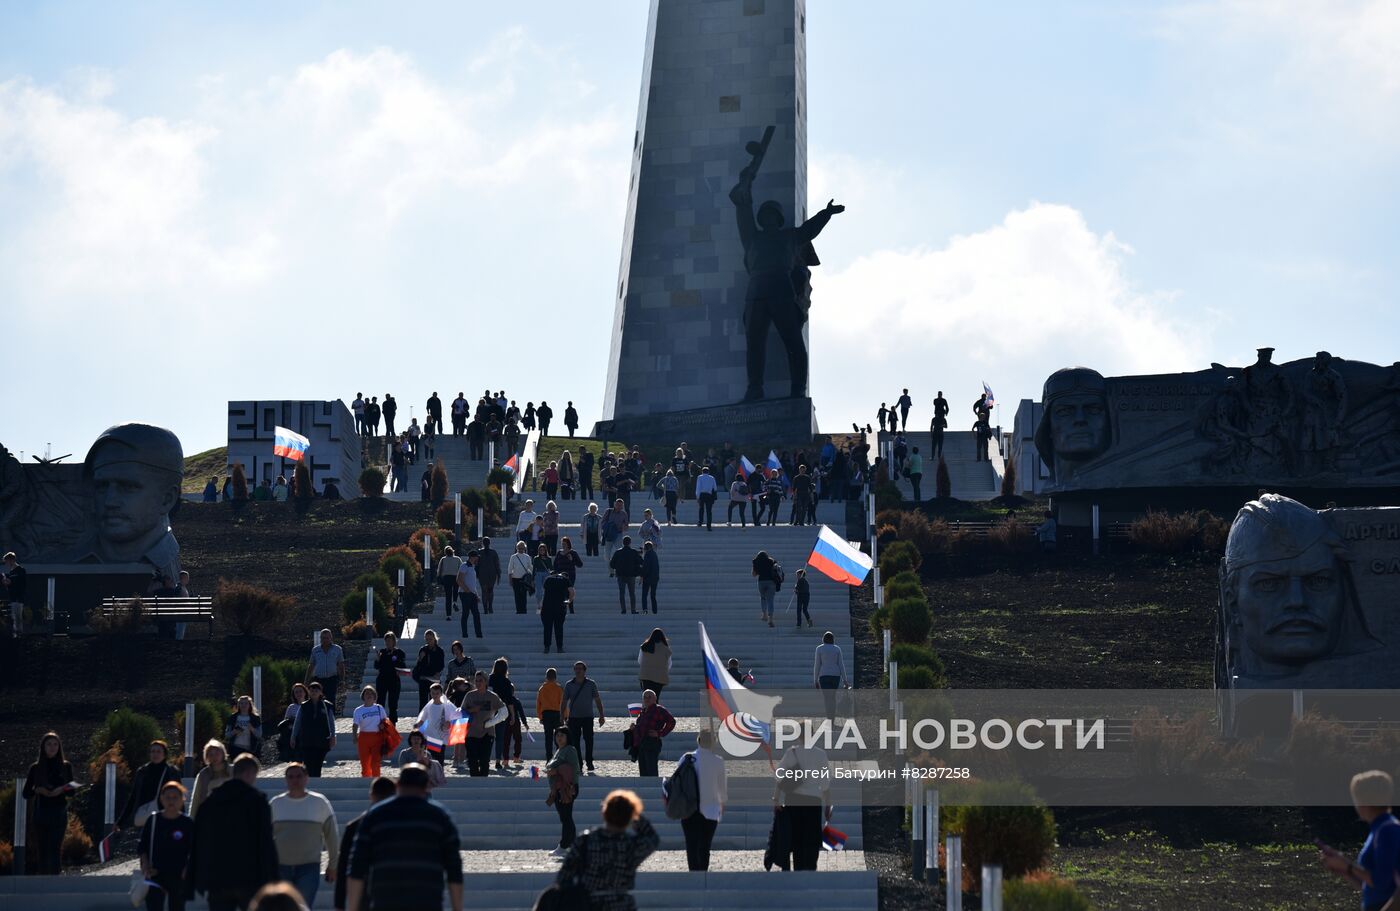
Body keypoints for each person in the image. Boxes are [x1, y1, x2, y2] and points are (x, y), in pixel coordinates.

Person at [346, 765, 464, 911]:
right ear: (427, 787)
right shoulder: (440, 817)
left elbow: (357, 867)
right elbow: (454, 868)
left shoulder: (375, 816)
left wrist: (352, 908)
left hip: (385, 901)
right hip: (427, 901)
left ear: (398, 784)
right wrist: (457, 908)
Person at [188, 753, 278, 911]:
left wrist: (197, 873)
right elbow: (265, 841)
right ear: (249, 773)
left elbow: (200, 839)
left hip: (218, 876)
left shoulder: (211, 801)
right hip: (249, 875)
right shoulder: (257, 801)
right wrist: (273, 876)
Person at [554, 789, 658, 911]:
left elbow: (563, 877)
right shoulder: (631, 845)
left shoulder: (585, 841)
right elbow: (652, 838)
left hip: (589, 904)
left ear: (604, 813)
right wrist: (633, 813)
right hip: (622, 905)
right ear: (629, 817)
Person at [1318, 770, 1400, 911]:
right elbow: (1370, 887)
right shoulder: (1378, 829)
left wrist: (1348, 866)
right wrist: (1343, 870)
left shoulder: (1387, 830)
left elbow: (1381, 882)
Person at [269, 763, 338, 906]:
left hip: (309, 867)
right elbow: (264, 838)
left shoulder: (319, 803)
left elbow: (331, 836)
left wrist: (333, 864)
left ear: (306, 778)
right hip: (281, 867)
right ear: (286, 779)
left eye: (299, 776)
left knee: (304, 907)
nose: (295, 780)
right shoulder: (276, 804)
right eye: (291, 777)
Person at [333, 775, 397, 911]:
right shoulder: (404, 826)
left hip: (365, 890)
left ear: (371, 795)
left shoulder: (354, 826)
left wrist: (339, 903)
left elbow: (344, 866)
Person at [775, 742, 831, 872]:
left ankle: (798, 869)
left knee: (796, 838)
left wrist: (776, 799)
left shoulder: (791, 752)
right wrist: (828, 804)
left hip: (794, 800)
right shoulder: (820, 754)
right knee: (812, 838)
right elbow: (825, 783)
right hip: (813, 800)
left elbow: (779, 776)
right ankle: (811, 868)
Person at [23, 732, 75, 874]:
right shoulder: (35, 768)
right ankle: (43, 880)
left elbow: (72, 790)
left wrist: (61, 789)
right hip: (41, 814)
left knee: (55, 848)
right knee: (43, 849)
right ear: (43, 747)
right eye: (49, 744)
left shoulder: (65, 766)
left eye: (55, 744)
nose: (52, 747)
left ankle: (55, 879)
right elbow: (26, 793)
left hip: (59, 813)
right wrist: (38, 790)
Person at [138, 780, 194, 911]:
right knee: (154, 906)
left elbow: (195, 849)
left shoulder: (187, 823)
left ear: (182, 799)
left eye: (175, 797)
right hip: (155, 873)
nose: (171, 801)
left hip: (178, 874)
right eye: (168, 797)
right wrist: (145, 864)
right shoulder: (153, 820)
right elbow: (142, 846)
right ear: (161, 799)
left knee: (177, 907)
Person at [677, 730, 728, 872]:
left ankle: (694, 874)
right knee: (705, 846)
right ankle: (703, 873)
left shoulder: (687, 758)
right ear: (713, 743)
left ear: (698, 741)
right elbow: (722, 788)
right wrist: (722, 805)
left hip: (688, 809)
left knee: (691, 846)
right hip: (711, 809)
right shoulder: (718, 761)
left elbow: (678, 782)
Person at [119, 739, 182, 831]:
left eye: (158, 751)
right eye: (153, 751)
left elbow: (179, 796)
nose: (155, 754)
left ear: (164, 754)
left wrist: (181, 819)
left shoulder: (172, 772)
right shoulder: (142, 772)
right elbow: (133, 797)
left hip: (166, 816)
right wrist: (120, 822)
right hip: (146, 818)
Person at [563, 661, 606, 773]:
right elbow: (564, 701)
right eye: (576, 668)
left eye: (580, 669)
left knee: (589, 740)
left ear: (584, 670)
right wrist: (561, 715)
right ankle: (579, 763)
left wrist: (601, 715)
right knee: (575, 741)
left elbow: (597, 699)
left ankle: (589, 762)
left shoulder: (591, 684)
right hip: (574, 717)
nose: (578, 671)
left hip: (587, 717)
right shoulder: (569, 684)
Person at [545, 727, 581, 858]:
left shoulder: (570, 750)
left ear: (567, 737)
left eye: (562, 735)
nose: (559, 738)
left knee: (566, 818)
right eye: (557, 735)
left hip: (567, 789)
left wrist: (556, 770)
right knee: (566, 817)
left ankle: (564, 846)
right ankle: (573, 846)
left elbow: (573, 769)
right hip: (559, 789)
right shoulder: (559, 750)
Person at [461, 671, 505, 777]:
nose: (478, 683)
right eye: (476, 680)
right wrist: (472, 710)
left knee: (484, 761)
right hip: (471, 734)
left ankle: (483, 783)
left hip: (487, 733)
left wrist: (491, 723)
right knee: (472, 762)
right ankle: (474, 785)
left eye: (480, 680)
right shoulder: (469, 695)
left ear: (486, 682)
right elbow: (461, 713)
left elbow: (504, 713)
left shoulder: (492, 696)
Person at [291, 682, 337, 776]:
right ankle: (309, 781)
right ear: (308, 692)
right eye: (312, 690)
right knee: (308, 765)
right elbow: (297, 722)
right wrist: (293, 736)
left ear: (321, 692)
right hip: (307, 741)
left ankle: (316, 781)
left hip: (322, 741)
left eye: (316, 690)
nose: (314, 692)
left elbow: (331, 722)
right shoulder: (304, 706)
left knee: (317, 765)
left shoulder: (327, 706)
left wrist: (333, 736)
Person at [632, 689, 675, 778]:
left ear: (655, 698)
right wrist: (634, 728)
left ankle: (653, 786)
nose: (647, 699)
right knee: (643, 771)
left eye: (649, 697)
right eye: (645, 697)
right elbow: (641, 727)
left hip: (652, 742)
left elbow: (672, 721)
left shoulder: (659, 709)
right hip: (641, 743)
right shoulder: (642, 711)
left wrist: (660, 733)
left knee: (651, 770)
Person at [352, 686, 389, 778]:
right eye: (367, 693)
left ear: (374, 696)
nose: (369, 695)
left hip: (377, 737)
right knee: (365, 763)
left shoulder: (379, 708)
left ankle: (376, 781)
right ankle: (366, 781)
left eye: (371, 693)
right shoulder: (358, 710)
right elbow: (355, 725)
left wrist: (383, 725)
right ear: (363, 696)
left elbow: (386, 722)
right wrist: (354, 736)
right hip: (364, 738)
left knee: (375, 762)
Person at [190, 739, 232, 819]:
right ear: (207, 757)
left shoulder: (233, 771)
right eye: (211, 754)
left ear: (223, 754)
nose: (214, 757)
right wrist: (192, 820)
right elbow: (196, 799)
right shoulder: (203, 775)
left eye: (217, 753)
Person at [307, 629, 346, 713]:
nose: (325, 640)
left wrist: (342, 679)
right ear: (320, 638)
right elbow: (311, 665)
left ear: (331, 638)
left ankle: (331, 717)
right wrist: (307, 679)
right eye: (323, 638)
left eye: (327, 638)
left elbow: (341, 665)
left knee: (331, 699)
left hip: (331, 679)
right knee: (317, 699)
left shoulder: (337, 649)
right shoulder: (315, 650)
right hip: (318, 679)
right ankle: (319, 716)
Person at [489, 657, 517, 771]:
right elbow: (509, 701)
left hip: (489, 710)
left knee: (488, 736)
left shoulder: (490, 679)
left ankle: (486, 758)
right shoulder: (506, 682)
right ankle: (497, 761)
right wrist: (513, 715)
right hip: (502, 710)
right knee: (500, 737)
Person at [814, 631, 849, 720]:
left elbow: (817, 665)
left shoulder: (819, 649)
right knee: (832, 697)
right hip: (835, 676)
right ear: (833, 639)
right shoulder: (837, 649)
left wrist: (815, 680)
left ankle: (829, 717)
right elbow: (841, 664)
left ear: (823, 639)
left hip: (824, 676)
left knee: (827, 698)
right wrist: (845, 680)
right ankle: (832, 716)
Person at [373, 631, 407, 725]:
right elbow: (376, 666)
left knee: (393, 704)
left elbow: (403, 666)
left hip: (394, 680)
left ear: (394, 641)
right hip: (382, 680)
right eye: (386, 641)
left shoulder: (399, 652)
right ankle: (380, 723)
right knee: (380, 702)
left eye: (390, 640)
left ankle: (393, 724)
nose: (388, 643)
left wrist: (395, 659)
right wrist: (377, 659)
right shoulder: (382, 652)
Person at [413, 629, 446, 710]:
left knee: (435, 701)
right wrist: (420, 658)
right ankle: (423, 717)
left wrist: (436, 672)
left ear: (434, 638)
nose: (429, 641)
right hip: (424, 679)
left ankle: (435, 716)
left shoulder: (439, 650)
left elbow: (441, 665)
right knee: (423, 703)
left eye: (430, 639)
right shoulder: (423, 649)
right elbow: (418, 665)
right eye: (427, 639)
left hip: (434, 679)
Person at [611, 535, 644, 614]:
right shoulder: (634, 552)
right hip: (631, 575)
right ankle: (633, 610)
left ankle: (623, 610)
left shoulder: (618, 552)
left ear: (623, 543)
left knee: (622, 593)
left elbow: (612, 564)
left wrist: (617, 567)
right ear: (630, 543)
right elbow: (641, 562)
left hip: (620, 575)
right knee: (632, 593)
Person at [223, 695, 263, 761]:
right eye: (241, 703)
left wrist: (252, 728)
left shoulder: (255, 718)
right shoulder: (233, 717)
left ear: (250, 705)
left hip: (251, 749)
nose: (243, 705)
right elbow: (227, 734)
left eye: (246, 703)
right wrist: (234, 731)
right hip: (235, 749)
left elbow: (259, 735)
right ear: (238, 705)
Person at [541, 570, 571, 654]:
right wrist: (569, 601)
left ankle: (547, 647)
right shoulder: (565, 579)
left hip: (547, 607)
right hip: (560, 607)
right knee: (559, 628)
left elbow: (544, 592)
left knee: (547, 628)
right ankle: (559, 648)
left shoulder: (548, 579)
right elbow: (572, 591)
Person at [455, 550, 483, 639]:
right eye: (476, 557)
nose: (477, 559)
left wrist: (476, 594)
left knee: (476, 614)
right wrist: (466, 590)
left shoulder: (472, 567)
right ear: (472, 557)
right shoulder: (464, 565)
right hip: (465, 593)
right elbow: (459, 579)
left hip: (472, 594)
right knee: (465, 613)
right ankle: (465, 634)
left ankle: (479, 635)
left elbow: (472, 584)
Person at [538, 667, 565, 760]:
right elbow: (562, 703)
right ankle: (558, 756)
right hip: (557, 714)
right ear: (555, 677)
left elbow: (539, 704)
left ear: (546, 677)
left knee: (548, 738)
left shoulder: (542, 689)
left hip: (546, 714)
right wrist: (565, 715)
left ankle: (549, 757)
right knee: (559, 737)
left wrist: (540, 716)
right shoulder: (559, 688)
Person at [638, 627, 672, 698]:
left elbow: (640, 660)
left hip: (646, 676)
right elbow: (669, 664)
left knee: (647, 698)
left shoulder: (644, 646)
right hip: (659, 677)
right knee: (655, 697)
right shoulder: (666, 649)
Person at [552, 536, 583, 611]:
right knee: (562, 592)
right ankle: (563, 609)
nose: (563, 545)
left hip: (570, 575)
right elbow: (555, 565)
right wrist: (555, 573)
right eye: (562, 544)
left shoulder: (573, 553)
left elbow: (580, 564)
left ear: (568, 544)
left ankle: (571, 609)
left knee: (569, 592)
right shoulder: (559, 553)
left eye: (565, 544)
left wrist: (572, 560)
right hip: (561, 575)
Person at [279, 683, 309, 760]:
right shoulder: (291, 707)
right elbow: (285, 723)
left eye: (300, 691)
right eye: (296, 692)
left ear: (305, 692)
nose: (299, 694)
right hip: (295, 737)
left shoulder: (310, 705)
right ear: (294, 695)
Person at [753, 549, 778, 627]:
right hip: (771, 582)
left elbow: (754, 574)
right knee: (770, 600)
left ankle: (764, 614)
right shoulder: (771, 561)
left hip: (761, 582)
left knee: (763, 598)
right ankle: (770, 619)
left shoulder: (756, 561)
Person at [602, 499, 629, 569]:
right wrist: (609, 526)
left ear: (623, 506)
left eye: (621, 505)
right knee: (607, 555)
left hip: (618, 534)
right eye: (618, 505)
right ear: (614, 504)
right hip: (609, 535)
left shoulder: (624, 514)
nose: (619, 507)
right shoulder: (608, 511)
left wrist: (623, 527)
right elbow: (602, 522)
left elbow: (626, 526)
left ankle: (618, 567)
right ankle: (610, 569)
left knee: (620, 552)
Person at [508, 541, 534, 614]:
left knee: (523, 595)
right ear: (517, 548)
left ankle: (524, 610)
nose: (521, 549)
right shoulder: (513, 557)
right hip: (515, 579)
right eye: (519, 548)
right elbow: (510, 569)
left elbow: (530, 567)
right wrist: (510, 579)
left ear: (524, 548)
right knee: (517, 595)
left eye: (522, 548)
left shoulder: (527, 557)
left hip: (524, 579)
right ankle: (518, 610)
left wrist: (532, 578)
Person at [477, 537, 501, 614]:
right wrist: (498, 574)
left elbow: (476, 564)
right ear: (489, 543)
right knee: (490, 590)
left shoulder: (479, 552)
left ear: (483, 543)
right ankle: (490, 606)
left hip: (482, 574)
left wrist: (476, 573)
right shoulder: (493, 552)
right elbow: (497, 564)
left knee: (484, 591)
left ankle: (485, 608)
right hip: (492, 573)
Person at [436, 545, 462, 618]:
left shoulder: (443, 559)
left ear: (445, 552)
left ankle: (448, 615)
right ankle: (455, 602)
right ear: (452, 551)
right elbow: (461, 569)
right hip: (456, 577)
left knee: (448, 596)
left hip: (446, 578)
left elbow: (439, 570)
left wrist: (439, 578)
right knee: (455, 590)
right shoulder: (457, 559)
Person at [694, 466, 718, 530]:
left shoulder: (699, 477)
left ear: (702, 472)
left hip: (702, 495)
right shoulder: (712, 478)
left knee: (701, 509)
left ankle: (700, 522)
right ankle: (709, 525)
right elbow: (715, 488)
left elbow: (698, 487)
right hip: (709, 495)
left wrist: (697, 496)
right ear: (708, 472)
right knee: (709, 511)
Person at [640, 541, 660, 614]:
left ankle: (645, 609)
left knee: (644, 595)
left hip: (647, 578)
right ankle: (655, 610)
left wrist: (642, 576)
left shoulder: (647, 555)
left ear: (646, 548)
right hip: (655, 578)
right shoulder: (654, 554)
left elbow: (646, 567)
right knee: (653, 595)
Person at [532, 543, 552, 608]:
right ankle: (539, 603)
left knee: (546, 590)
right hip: (538, 574)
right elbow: (534, 569)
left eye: (543, 550)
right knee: (538, 590)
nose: (542, 551)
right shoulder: (536, 558)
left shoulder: (549, 558)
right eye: (540, 550)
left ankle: (545, 603)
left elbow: (551, 568)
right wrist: (532, 579)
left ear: (545, 550)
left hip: (546, 574)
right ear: (539, 550)